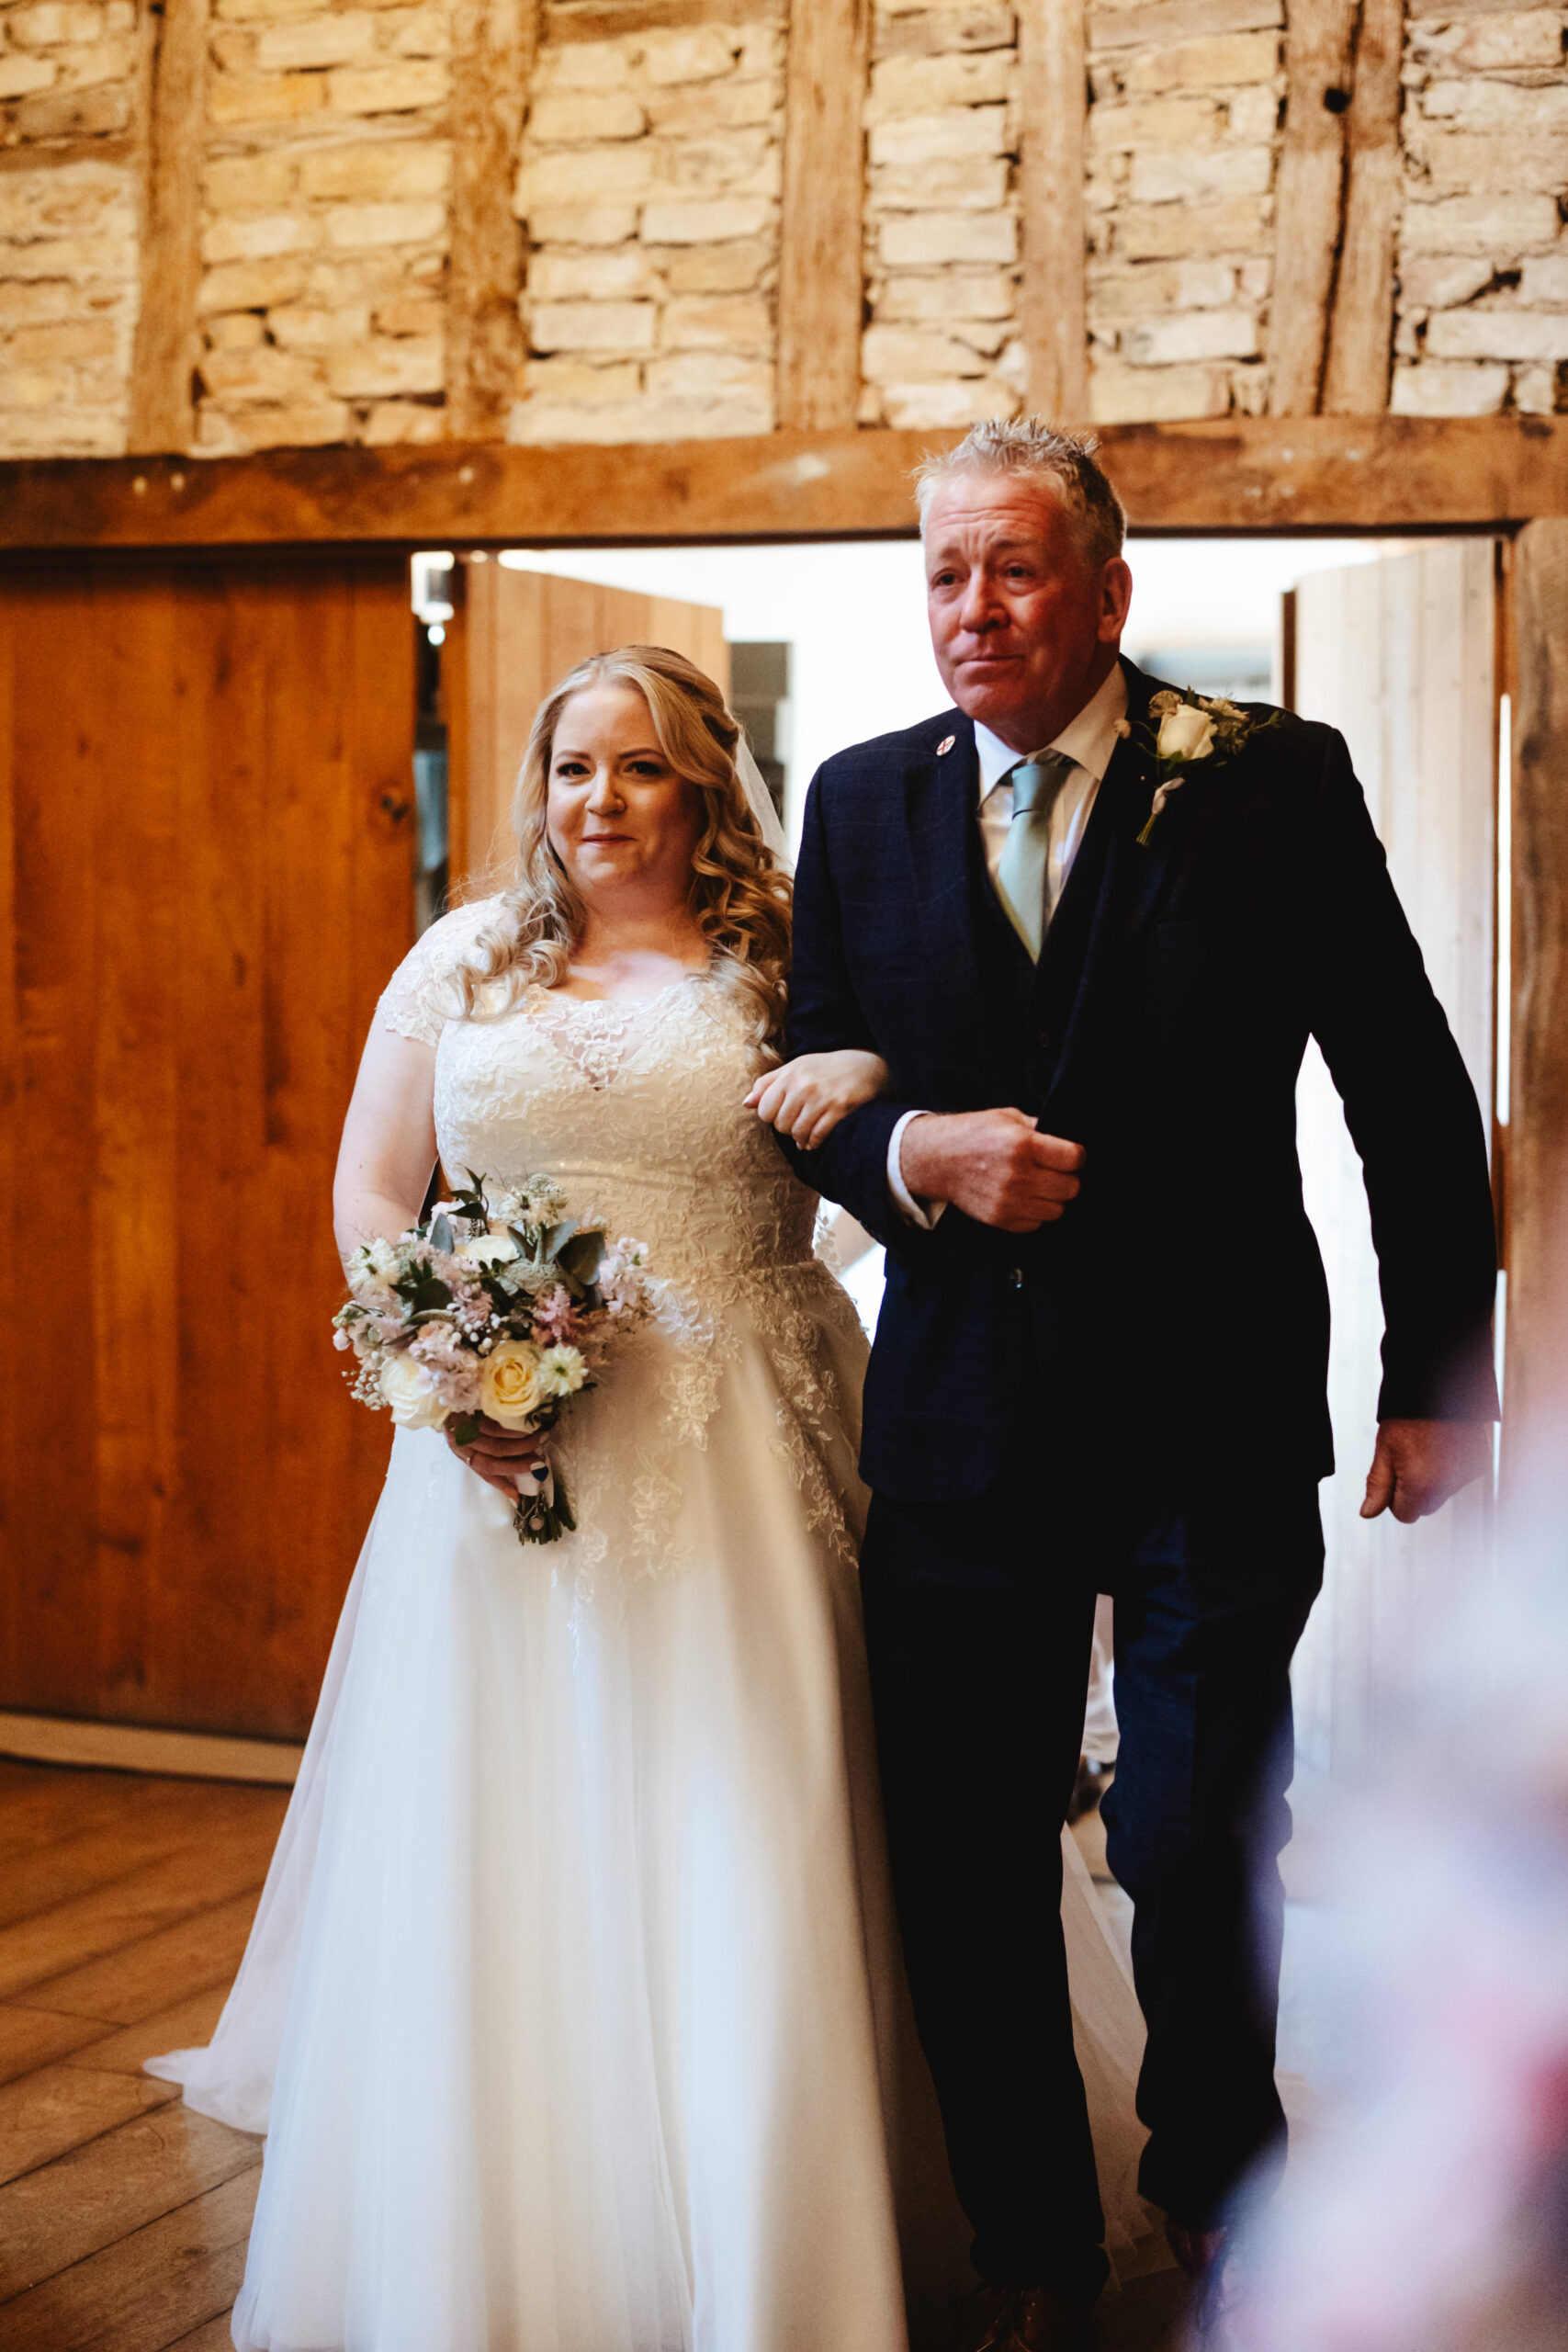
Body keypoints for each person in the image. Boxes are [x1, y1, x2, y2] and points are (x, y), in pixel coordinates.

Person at [147, 643, 1148, 2352]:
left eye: (638, 769)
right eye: (567, 770)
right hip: (504, 1453)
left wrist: (760, 1272)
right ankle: (523, 2223)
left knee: (756, 1811)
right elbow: (376, 1186)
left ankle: (796, 2235)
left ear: (705, 786)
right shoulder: (464, 959)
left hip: (750, 1439)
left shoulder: (786, 954)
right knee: (511, 1823)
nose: (596, 802)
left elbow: (863, 1152)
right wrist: (449, 1365)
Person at [775, 419, 1500, 2352]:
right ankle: (1029, 2232)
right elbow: (806, 1077)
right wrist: (910, 1154)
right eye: (939, 572)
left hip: (1208, 1404)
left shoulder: (1265, 780)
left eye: (1010, 567)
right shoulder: (854, 803)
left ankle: (1209, 2179)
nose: (969, 607)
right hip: (954, 1424)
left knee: (1193, 1827)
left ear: (1105, 590)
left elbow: (1403, 1078)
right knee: (967, 1851)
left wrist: (1440, 1377)